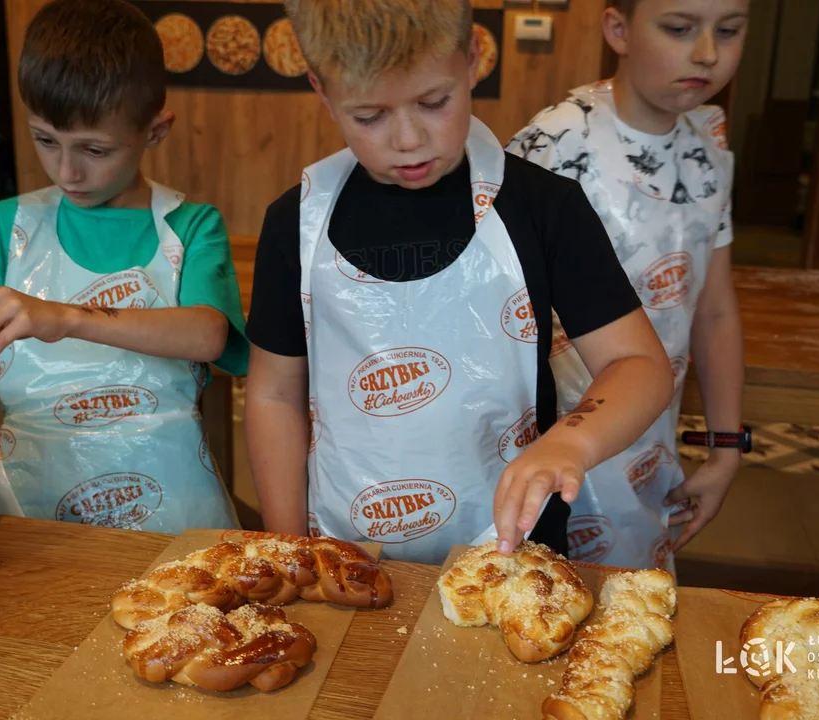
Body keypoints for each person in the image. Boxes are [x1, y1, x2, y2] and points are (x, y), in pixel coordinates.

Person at [243, 0, 674, 565]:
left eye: (433, 102)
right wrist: (288, 544)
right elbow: (274, 394)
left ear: (473, 60)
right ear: (323, 92)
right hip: (344, 549)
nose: (407, 139)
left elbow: (640, 367)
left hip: (513, 555)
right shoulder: (295, 223)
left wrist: (571, 441)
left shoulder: (544, 208)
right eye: (368, 116)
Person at [0, 0, 248, 533]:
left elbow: (207, 334)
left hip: (170, 503)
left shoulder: (189, 226)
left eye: (94, 148)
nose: (67, 170)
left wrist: (62, 317)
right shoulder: (6, 227)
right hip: (29, 501)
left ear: (155, 131)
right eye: (45, 140)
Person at [508, 0, 750, 571]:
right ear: (618, 29)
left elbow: (714, 310)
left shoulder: (708, 149)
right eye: (679, 28)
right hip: (546, 443)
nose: (708, 53)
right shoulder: (554, 143)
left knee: (625, 622)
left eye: (730, 31)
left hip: (650, 446)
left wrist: (724, 450)